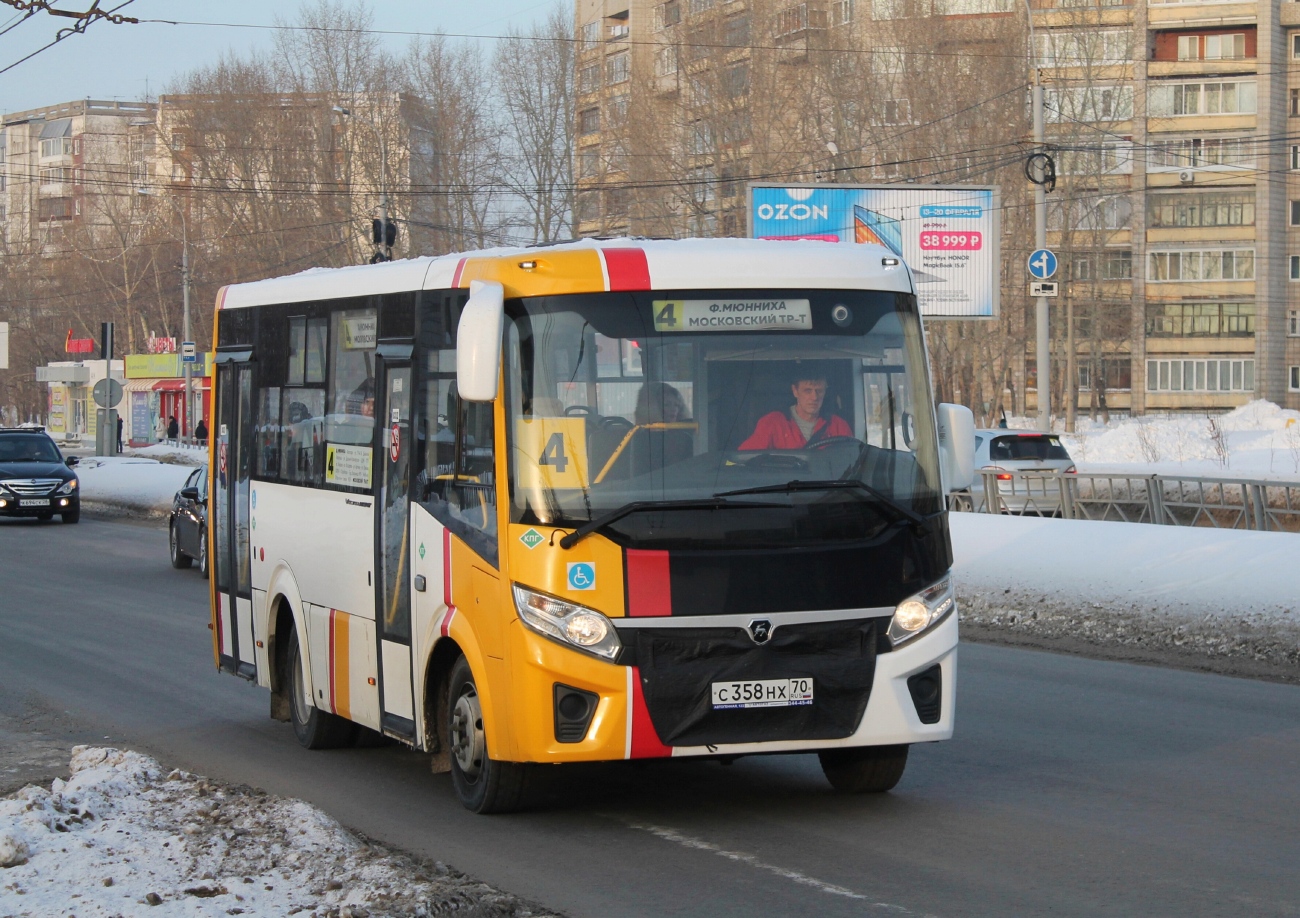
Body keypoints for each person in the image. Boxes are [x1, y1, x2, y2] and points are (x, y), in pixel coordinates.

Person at [740, 374, 852, 450]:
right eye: (807, 391)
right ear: (795, 391)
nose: (814, 397)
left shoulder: (838, 425)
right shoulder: (772, 422)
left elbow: (853, 462)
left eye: (819, 391)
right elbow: (744, 458)